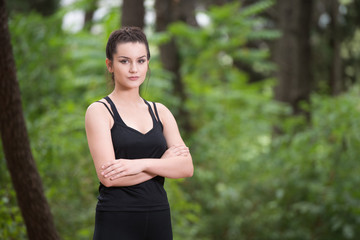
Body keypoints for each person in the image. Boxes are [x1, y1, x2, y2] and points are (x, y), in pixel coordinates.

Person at [85, 26, 194, 240]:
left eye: (141, 60)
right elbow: (108, 178)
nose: (134, 69)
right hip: (117, 218)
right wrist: (162, 165)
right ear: (110, 65)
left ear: (147, 63)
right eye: (124, 61)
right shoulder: (99, 111)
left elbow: (186, 167)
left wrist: (139, 164)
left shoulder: (160, 111)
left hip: (158, 216)